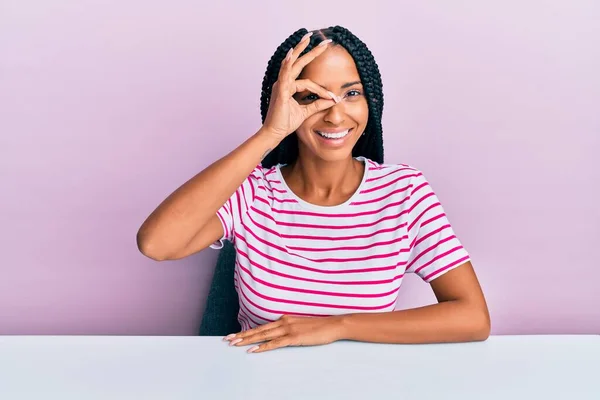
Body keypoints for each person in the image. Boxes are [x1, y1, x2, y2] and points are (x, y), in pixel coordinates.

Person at [137, 26, 491, 354]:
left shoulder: (404, 193)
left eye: (351, 93)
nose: (335, 117)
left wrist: (336, 327)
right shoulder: (252, 192)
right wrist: (269, 133)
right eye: (310, 97)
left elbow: (472, 317)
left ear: (372, 103)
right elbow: (157, 244)